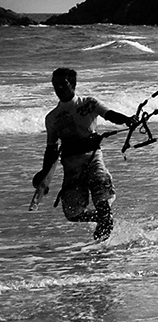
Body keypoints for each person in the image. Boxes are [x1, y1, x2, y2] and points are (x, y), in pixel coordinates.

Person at [33, 67, 140, 242]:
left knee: (100, 190)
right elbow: (51, 148)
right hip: (70, 163)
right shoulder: (52, 117)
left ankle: (104, 236)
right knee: (73, 214)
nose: (59, 88)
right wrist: (44, 174)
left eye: (63, 84)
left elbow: (110, 115)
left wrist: (127, 120)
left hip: (92, 156)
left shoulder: (89, 103)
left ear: (73, 84)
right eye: (55, 85)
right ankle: (103, 218)